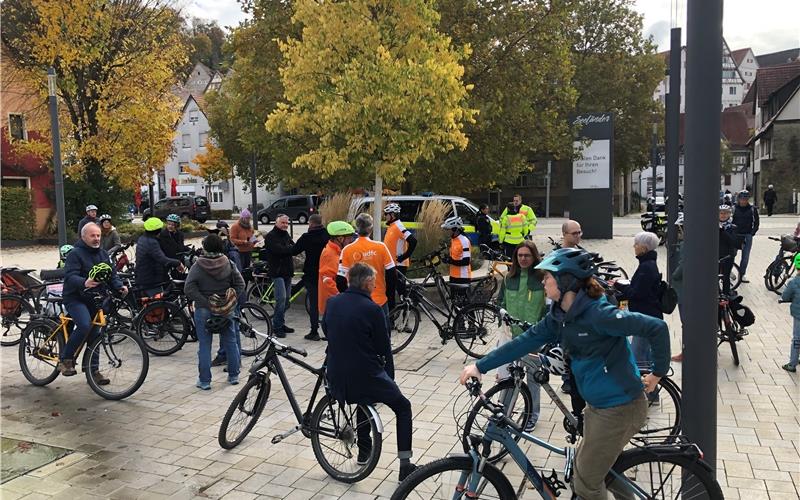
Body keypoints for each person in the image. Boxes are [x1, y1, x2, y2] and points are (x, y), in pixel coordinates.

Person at [459, 247, 670, 500]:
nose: (543, 281)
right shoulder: (559, 316)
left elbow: (656, 327)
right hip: (598, 407)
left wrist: (657, 373)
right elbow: (524, 341)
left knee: (586, 484)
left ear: (566, 281)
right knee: (598, 471)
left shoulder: (599, 314)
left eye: (548, 277)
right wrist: (480, 366)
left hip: (621, 408)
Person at [323, 263, 416, 481]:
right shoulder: (372, 309)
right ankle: (405, 464)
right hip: (365, 375)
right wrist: (389, 377)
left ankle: (365, 451)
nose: (375, 284)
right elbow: (384, 347)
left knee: (362, 400)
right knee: (403, 407)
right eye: (373, 281)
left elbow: (327, 330)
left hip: (336, 373)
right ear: (367, 283)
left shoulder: (333, 302)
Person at [59, 223, 128, 379]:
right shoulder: (75, 254)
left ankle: (92, 370)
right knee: (84, 325)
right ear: (83, 237)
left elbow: (112, 274)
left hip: (95, 298)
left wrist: (119, 286)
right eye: (93, 235)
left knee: (96, 333)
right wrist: (84, 282)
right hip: (75, 297)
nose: (96, 238)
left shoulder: (103, 254)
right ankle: (65, 359)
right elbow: (70, 277)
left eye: (98, 235)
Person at [496, 241, 547, 431]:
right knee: (510, 378)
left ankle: (532, 416)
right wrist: (501, 312)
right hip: (512, 337)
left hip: (534, 338)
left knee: (533, 379)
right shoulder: (509, 278)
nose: (523, 259)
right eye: (520, 255)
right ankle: (505, 413)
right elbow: (500, 301)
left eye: (527, 255)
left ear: (534, 257)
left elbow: (548, 307)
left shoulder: (542, 278)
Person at [184, 234, 246, 389]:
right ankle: (233, 376)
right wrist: (230, 299)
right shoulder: (229, 263)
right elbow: (241, 284)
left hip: (204, 309)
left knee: (205, 345)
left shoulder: (197, 266)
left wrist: (204, 302)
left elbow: (189, 288)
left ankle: (205, 381)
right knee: (231, 342)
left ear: (205, 248)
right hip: (225, 310)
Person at [338, 213, 396, 323]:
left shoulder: (347, 250)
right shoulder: (381, 247)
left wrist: (348, 297)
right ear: (371, 228)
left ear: (356, 228)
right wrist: (390, 296)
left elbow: (340, 279)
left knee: (359, 336)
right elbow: (392, 273)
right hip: (379, 300)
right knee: (382, 336)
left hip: (356, 302)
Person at [617, 232, 663, 372]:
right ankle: (653, 392)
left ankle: (648, 392)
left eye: (636, 244)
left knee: (637, 357)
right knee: (645, 357)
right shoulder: (648, 264)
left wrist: (620, 287)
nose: (634, 247)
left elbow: (637, 293)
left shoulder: (646, 267)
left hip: (645, 318)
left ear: (643, 247)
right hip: (649, 316)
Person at [292, 214, 329, 340]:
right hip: (326, 273)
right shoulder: (327, 235)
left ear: (311, 224)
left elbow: (294, 250)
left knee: (313, 304)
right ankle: (329, 331)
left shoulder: (306, 237)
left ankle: (314, 332)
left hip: (311, 273)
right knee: (328, 303)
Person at [263, 214, 295, 337]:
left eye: (287, 223)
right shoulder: (271, 236)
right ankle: (277, 326)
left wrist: (290, 248)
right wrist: (290, 249)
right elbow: (280, 251)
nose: (285, 225)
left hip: (287, 271)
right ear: (276, 223)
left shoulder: (286, 235)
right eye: (283, 223)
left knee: (287, 300)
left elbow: (293, 246)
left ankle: (280, 322)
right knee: (281, 299)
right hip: (277, 272)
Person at [135, 217, 184, 297]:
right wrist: (178, 263)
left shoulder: (142, 238)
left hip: (142, 276)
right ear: (158, 230)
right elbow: (162, 259)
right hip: (151, 279)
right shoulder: (152, 242)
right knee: (159, 304)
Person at [383, 203, 417, 309]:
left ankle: (403, 318)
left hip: (399, 265)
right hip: (393, 265)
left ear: (392, 215)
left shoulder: (398, 226)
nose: (385, 216)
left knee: (397, 292)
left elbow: (413, 241)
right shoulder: (392, 227)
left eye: (386, 214)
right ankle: (392, 317)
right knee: (391, 292)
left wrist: (404, 256)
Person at [318, 221, 354, 320]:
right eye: (349, 237)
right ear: (340, 238)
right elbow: (327, 280)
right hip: (334, 304)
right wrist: (341, 296)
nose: (351, 240)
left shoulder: (337, 251)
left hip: (336, 302)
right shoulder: (329, 254)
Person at [441, 217, 472, 297]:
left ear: (455, 229)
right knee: (455, 303)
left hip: (462, 277)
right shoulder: (453, 239)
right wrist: (447, 258)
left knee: (464, 306)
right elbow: (456, 257)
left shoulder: (464, 241)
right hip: (453, 276)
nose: (446, 232)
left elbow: (466, 261)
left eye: (448, 229)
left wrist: (450, 261)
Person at [732, 190, 759, 283]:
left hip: (747, 235)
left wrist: (752, 232)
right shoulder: (734, 208)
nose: (743, 201)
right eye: (742, 199)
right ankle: (729, 270)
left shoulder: (752, 209)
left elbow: (756, 222)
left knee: (745, 257)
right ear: (739, 199)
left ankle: (742, 274)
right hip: (736, 235)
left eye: (745, 199)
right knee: (731, 254)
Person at [780, 253, 800, 372]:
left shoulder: (793, 282)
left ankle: (792, 363)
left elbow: (785, 296)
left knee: (797, 338)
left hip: (798, 314)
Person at [670, 214, 685, 362]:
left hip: (685, 290)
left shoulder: (687, 244)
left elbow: (684, 266)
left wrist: (674, 275)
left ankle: (686, 351)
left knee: (686, 322)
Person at [718, 205, 739, 296]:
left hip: (728, 255)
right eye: (721, 213)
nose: (723, 215)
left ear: (729, 214)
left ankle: (726, 295)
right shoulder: (713, 227)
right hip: (716, 255)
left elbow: (733, 241)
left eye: (726, 213)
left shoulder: (732, 227)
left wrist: (723, 231)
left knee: (726, 277)